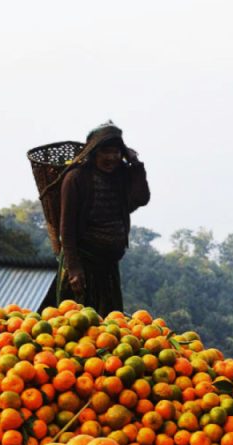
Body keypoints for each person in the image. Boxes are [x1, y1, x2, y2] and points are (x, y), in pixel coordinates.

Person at [55, 122, 150, 316]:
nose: (112, 158)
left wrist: (136, 165)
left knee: (110, 324)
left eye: (116, 152)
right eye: (106, 152)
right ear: (94, 153)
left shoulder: (122, 175)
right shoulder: (76, 178)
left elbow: (141, 198)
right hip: (83, 263)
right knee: (77, 322)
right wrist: (73, 268)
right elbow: (67, 227)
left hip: (109, 265)